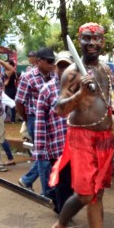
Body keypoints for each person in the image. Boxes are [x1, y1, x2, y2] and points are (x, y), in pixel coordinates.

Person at [50, 22, 114, 228]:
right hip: (81, 138)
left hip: (104, 138)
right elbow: (59, 109)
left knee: (98, 194)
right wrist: (80, 93)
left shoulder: (106, 70)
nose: (92, 43)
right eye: (87, 38)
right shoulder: (72, 72)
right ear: (79, 42)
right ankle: (60, 225)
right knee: (84, 192)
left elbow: (108, 103)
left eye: (97, 39)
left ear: (103, 42)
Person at [36, 51, 74, 218]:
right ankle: (64, 213)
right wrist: (40, 150)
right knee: (64, 180)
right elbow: (39, 122)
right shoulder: (47, 90)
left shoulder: (78, 89)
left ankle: (53, 198)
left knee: (72, 180)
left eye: (67, 66)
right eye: (61, 66)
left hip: (76, 144)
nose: (63, 69)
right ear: (55, 68)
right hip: (56, 145)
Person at [16, 47, 56, 193]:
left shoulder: (53, 76)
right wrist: (27, 120)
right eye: (49, 61)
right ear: (39, 62)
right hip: (35, 120)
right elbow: (19, 102)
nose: (52, 64)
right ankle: (47, 193)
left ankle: (26, 180)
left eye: (53, 61)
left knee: (46, 153)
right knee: (44, 155)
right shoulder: (28, 77)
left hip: (52, 120)